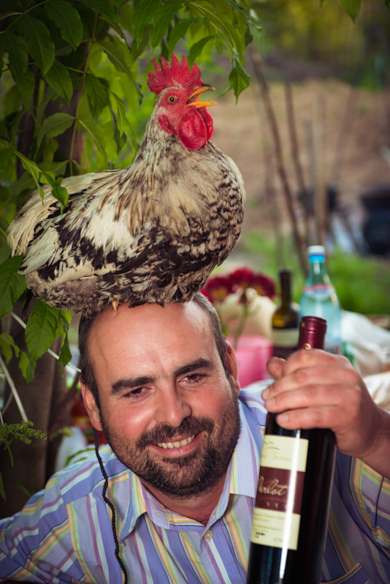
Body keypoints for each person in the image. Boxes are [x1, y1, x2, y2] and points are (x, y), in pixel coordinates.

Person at [0, 292, 390, 583]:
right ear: (93, 404)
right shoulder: (71, 517)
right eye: (136, 390)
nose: (174, 414)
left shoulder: (332, 446)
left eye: (192, 376)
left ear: (231, 368)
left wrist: (376, 437)